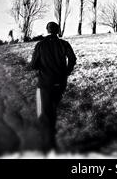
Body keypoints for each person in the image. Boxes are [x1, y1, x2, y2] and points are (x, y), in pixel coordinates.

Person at [29, 22, 76, 152]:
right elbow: (72, 59)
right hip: (60, 83)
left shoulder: (40, 45)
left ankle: (48, 145)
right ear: (57, 30)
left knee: (44, 113)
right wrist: (66, 72)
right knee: (53, 109)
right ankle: (52, 140)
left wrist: (41, 66)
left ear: (47, 30)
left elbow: (33, 65)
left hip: (45, 83)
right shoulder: (64, 44)